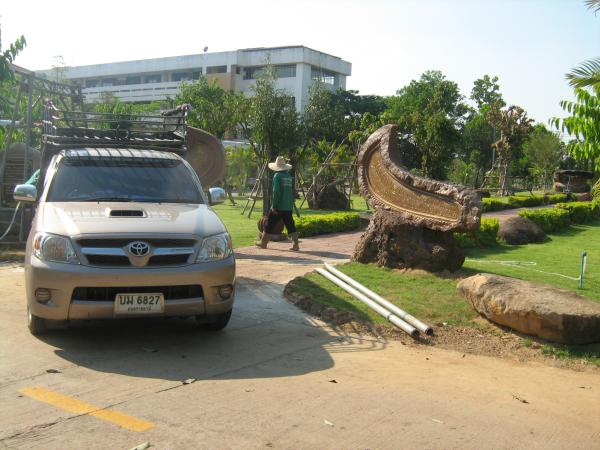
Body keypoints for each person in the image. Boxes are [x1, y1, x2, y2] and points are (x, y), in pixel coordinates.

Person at [256, 156, 299, 251]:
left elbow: (276, 192)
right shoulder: (288, 176)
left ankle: (263, 243)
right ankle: (296, 245)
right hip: (288, 205)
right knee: (290, 225)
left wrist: (274, 206)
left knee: (269, 224)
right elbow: (290, 191)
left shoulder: (277, 176)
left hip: (279, 206)